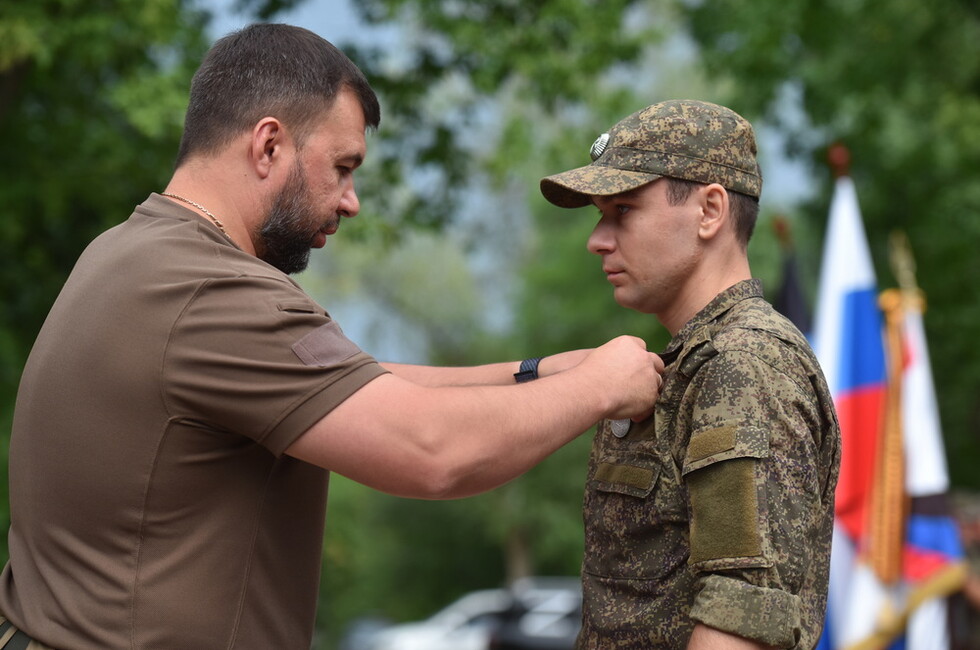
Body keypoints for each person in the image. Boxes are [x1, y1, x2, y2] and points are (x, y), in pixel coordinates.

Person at [0, 24, 666, 649]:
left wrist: (542, 371)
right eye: (342, 167)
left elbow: (356, 383)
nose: (351, 200)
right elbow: (432, 450)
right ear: (268, 145)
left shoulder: (133, 253)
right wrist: (601, 387)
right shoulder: (210, 290)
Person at [539, 100, 841, 649]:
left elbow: (741, 625)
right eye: (600, 216)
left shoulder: (744, 365)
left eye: (623, 211)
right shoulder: (693, 363)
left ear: (710, 211)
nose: (598, 239)